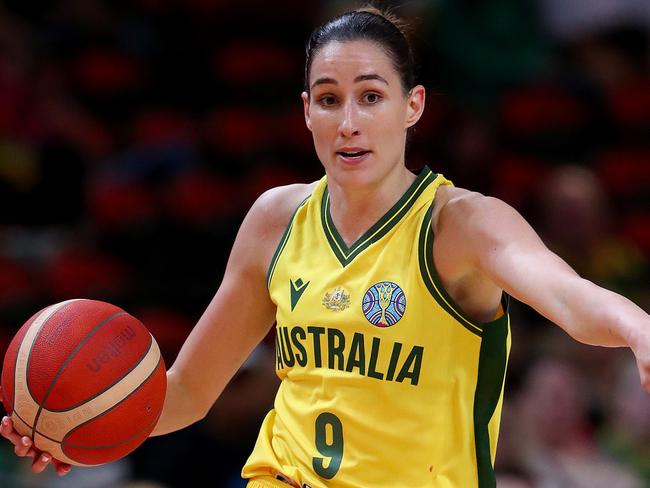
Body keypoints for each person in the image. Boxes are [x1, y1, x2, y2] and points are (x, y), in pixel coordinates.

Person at [2, 6, 649, 488]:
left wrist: (637, 327)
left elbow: (570, 295)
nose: (348, 122)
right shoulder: (275, 220)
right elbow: (187, 393)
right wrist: (82, 427)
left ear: (413, 106)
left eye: (371, 97)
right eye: (330, 100)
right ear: (306, 111)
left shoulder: (462, 224)